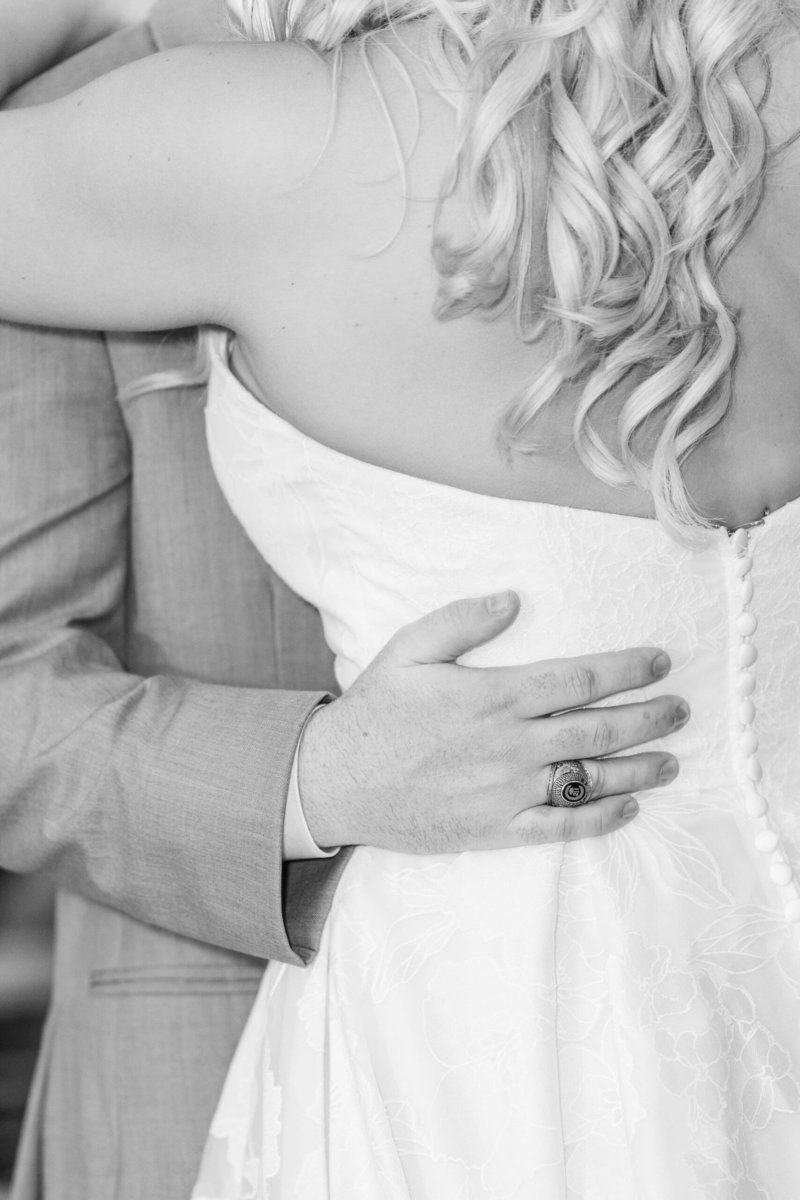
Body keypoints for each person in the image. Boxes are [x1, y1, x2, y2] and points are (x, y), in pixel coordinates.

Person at [0, 3, 686, 1198]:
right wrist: (319, 777)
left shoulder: (671, 91)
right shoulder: (62, 139)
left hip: (677, 1006)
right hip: (222, 1060)